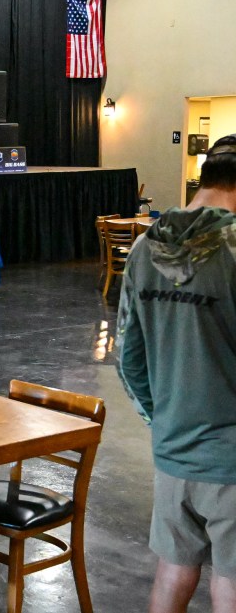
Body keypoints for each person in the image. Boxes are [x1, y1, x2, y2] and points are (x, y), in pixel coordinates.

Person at [116, 136, 236, 613]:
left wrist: (163, 418)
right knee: (231, 579)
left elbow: (129, 357)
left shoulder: (144, 246)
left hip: (172, 446)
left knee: (173, 568)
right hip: (230, 454)